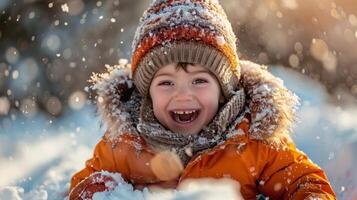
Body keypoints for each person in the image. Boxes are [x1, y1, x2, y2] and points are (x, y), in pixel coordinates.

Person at [69, 0, 336, 199]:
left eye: (199, 81)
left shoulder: (252, 141)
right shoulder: (126, 145)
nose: (183, 94)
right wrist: (98, 192)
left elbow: (306, 181)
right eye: (165, 83)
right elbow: (82, 185)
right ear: (146, 93)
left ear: (223, 90)